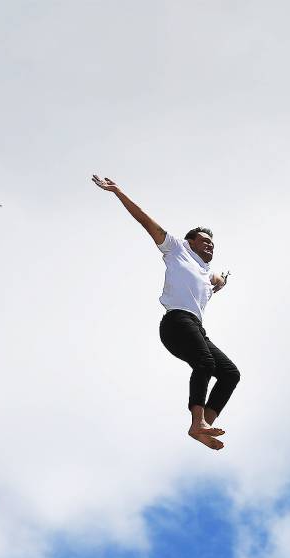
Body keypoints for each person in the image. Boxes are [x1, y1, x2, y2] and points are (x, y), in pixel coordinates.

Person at [92, 175, 240, 450]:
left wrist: (220, 282)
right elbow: (145, 221)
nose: (210, 246)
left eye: (213, 244)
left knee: (230, 374)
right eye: (204, 241)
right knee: (205, 363)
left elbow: (210, 284)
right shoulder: (175, 249)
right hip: (175, 322)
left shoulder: (206, 274)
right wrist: (118, 192)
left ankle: (204, 427)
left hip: (195, 327)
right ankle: (197, 422)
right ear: (190, 242)